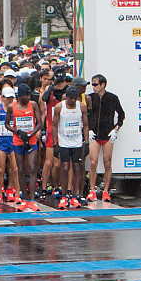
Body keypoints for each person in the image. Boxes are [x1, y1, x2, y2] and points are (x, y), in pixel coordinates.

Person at [86, 74, 124, 202]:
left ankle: (106, 191)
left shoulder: (112, 98)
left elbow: (121, 114)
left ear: (103, 85)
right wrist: (88, 129)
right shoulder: (89, 98)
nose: (93, 87)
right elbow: (85, 115)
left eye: (95, 84)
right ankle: (92, 190)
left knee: (107, 162)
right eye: (92, 84)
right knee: (93, 161)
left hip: (107, 134)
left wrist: (116, 129)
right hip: (94, 133)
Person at [5, 83, 43, 211]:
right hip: (18, 140)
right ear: (20, 96)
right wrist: (18, 132)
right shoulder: (12, 107)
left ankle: (32, 199)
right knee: (20, 169)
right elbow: (7, 124)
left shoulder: (33, 105)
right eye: (26, 96)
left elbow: (39, 123)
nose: (28, 98)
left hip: (31, 139)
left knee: (32, 168)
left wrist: (31, 134)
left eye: (29, 95)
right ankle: (24, 199)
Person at [53, 86, 89, 209]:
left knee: (77, 167)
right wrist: (54, 144)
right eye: (71, 99)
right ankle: (64, 195)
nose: (73, 101)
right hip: (64, 142)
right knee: (64, 167)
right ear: (66, 97)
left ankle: (74, 196)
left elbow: (85, 125)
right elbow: (54, 126)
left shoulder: (81, 107)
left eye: (75, 99)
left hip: (77, 142)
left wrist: (87, 142)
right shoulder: (59, 107)